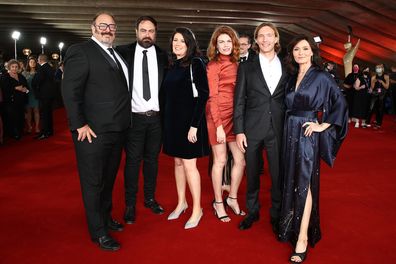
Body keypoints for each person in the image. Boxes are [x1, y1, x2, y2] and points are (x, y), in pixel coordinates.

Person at [62, 11, 131, 251]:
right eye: (102, 25)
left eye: (111, 26)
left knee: (109, 179)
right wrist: (79, 123)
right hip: (92, 132)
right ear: (92, 28)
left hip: (117, 130)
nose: (107, 29)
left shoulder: (117, 54)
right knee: (93, 183)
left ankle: (105, 217)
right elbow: (70, 91)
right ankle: (98, 232)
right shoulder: (80, 51)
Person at [278, 35, 348, 263]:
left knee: (304, 182)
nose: (300, 53)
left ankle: (303, 238)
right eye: (296, 49)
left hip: (307, 133)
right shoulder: (290, 77)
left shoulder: (321, 76)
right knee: (291, 178)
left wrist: (323, 125)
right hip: (290, 130)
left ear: (312, 51)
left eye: (305, 49)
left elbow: (340, 102)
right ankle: (291, 226)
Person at [234, 22, 287, 232]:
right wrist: (239, 130)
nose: (265, 39)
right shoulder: (247, 67)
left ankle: (276, 213)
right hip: (252, 128)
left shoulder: (288, 66)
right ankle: (252, 211)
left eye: (269, 35)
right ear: (256, 40)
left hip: (278, 128)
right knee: (253, 173)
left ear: (276, 38)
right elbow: (239, 101)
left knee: (277, 174)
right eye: (261, 36)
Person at [117, 16, 168, 224]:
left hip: (156, 120)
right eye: (143, 30)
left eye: (151, 31)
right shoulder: (122, 53)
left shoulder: (164, 56)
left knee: (152, 162)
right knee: (132, 162)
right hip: (133, 120)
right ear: (136, 31)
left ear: (156, 33)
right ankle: (130, 204)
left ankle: (149, 198)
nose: (147, 34)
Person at [162, 27, 209, 229]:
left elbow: (203, 95)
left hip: (190, 124)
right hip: (172, 124)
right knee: (178, 164)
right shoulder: (172, 65)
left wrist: (193, 126)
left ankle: (197, 208)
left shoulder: (196, 63)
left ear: (190, 43)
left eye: (182, 40)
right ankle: (182, 202)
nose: (177, 43)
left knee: (190, 165)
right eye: (175, 40)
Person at [206, 25, 246, 223]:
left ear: (234, 43)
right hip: (217, 116)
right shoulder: (213, 65)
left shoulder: (237, 63)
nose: (225, 45)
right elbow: (212, 97)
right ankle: (218, 202)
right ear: (215, 44)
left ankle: (232, 198)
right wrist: (219, 125)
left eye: (228, 41)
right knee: (220, 161)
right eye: (221, 42)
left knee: (240, 160)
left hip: (235, 115)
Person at [0, 59, 28, 140]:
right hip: (10, 102)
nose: (14, 68)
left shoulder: (21, 76)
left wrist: (26, 90)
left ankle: (19, 132)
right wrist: (15, 88)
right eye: (12, 67)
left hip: (21, 102)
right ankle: (13, 134)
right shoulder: (5, 77)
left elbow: (27, 89)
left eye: (16, 67)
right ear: (9, 67)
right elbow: (4, 90)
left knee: (20, 117)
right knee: (12, 118)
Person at [32, 54, 56, 139]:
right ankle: (50, 131)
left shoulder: (42, 68)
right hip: (50, 95)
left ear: (40, 59)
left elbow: (37, 81)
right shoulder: (50, 68)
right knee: (48, 113)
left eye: (38, 59)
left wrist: (34, 85)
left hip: (44, 95)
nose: (37, 61)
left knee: (44, 114)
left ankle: (44, 133)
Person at [366, 63, 390, 129]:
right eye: (377, 68)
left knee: (380, 109)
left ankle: (378, 123)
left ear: (382, 69)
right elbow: (372, 87)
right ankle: (367, 122)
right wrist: (373, 81)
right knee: (371, 107)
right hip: (375, 92)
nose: (378, 69)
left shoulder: (386, 76)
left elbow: (387, 87)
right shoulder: (373, 77)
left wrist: (382, 82)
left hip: (382, 93)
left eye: (379, 68)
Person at [22, 56, 40, 134]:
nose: (32, 63)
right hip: (27, 94)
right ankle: (29, 127)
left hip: (36, 94)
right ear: (28, 63)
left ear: (36, 63)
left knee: (36, 111)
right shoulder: (24, 73)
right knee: (28, 111)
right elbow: (22, 84)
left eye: (34, 62)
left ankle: (36, 127)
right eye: (31, 62)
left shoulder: (38, 73)